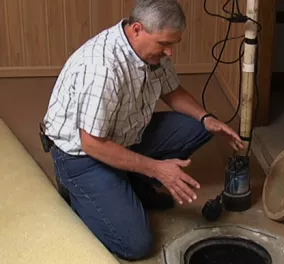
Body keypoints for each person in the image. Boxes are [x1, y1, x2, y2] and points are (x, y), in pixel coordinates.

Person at [41, 0, 244, 260]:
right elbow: (92, 143)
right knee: (135, 244)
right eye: (164, 44)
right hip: (81, 155)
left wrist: (207, 118)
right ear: (137, 29)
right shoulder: (102, 68)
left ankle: (128, 179)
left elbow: (172, 90)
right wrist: (157, 169)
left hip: (123, 133)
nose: (169, 52)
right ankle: (79, 190)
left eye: (173, 44)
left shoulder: (152, 53)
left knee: (198, 127)